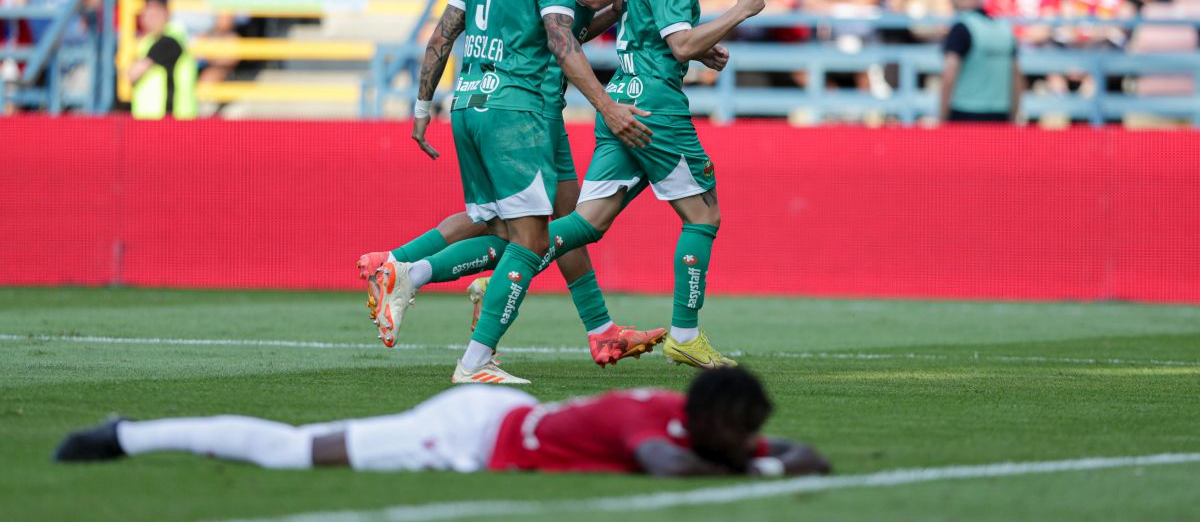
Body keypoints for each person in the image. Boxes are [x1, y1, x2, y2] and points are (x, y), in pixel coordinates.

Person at [431, 0, 765, 382]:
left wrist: (701, 48)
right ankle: (684, 335)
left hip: (623, 103)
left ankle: (488, 273)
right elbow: (678, 44)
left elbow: (657, 38)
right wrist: (738, 12)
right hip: (656, 113)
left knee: (583, 224)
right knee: (703, 216)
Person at [358, 0, 677, 367]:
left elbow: (572, 24)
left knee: (558, 223)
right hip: (527, 108)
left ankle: (599, 329)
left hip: (511, 103)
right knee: (524, 233)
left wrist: (621, 5)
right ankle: (409, 270)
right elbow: (578, 14)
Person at [54, 366, 832, 479]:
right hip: (467, 433)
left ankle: (128, 435)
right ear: (710, 421)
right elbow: (667, 468)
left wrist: (762, 456)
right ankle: (125, 435)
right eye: (743, 431)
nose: (750, 440)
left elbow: (810, 455)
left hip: (505, 417)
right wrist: (755, 467)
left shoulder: (696, 421)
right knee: (295, 452)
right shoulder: (646, 422)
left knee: (300, 450)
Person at [939, 0, 1020, 123]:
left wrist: (941, 118)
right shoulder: (1003, 30)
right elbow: (1017, 79)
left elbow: (949, 76)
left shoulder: (961, 28)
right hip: (1000, 116)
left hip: (965, 115)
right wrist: (1014, 117)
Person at [128, 0, 197, 120]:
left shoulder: (172, 38)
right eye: (148, 11)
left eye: (156, 12)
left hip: (173, 121)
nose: (151, 17)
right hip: (148, 120)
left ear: (167, 14)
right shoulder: (146, 42)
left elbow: (133, 73)